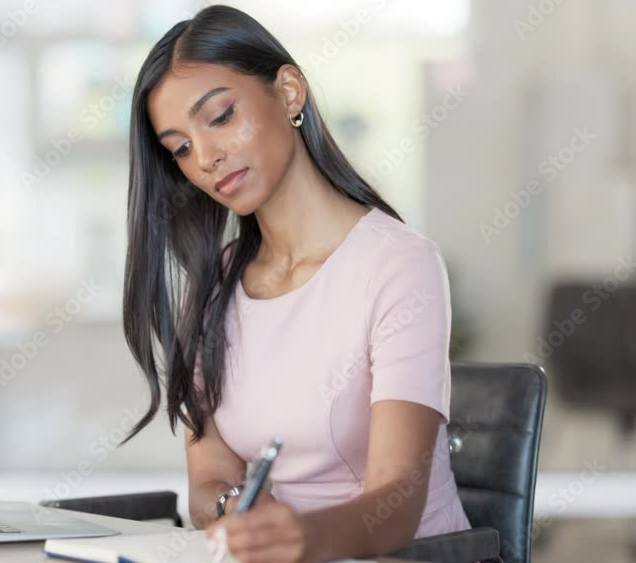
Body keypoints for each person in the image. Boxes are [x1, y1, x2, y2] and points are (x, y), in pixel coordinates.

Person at [119, 5, 472, 563]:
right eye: (180, 148)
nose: (206, 157)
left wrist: (298, 537)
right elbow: (208, 481)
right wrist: (240, 512)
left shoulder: (400, 264)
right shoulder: (211, 288)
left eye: (220, 116)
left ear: (288, 92)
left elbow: (398, 502)